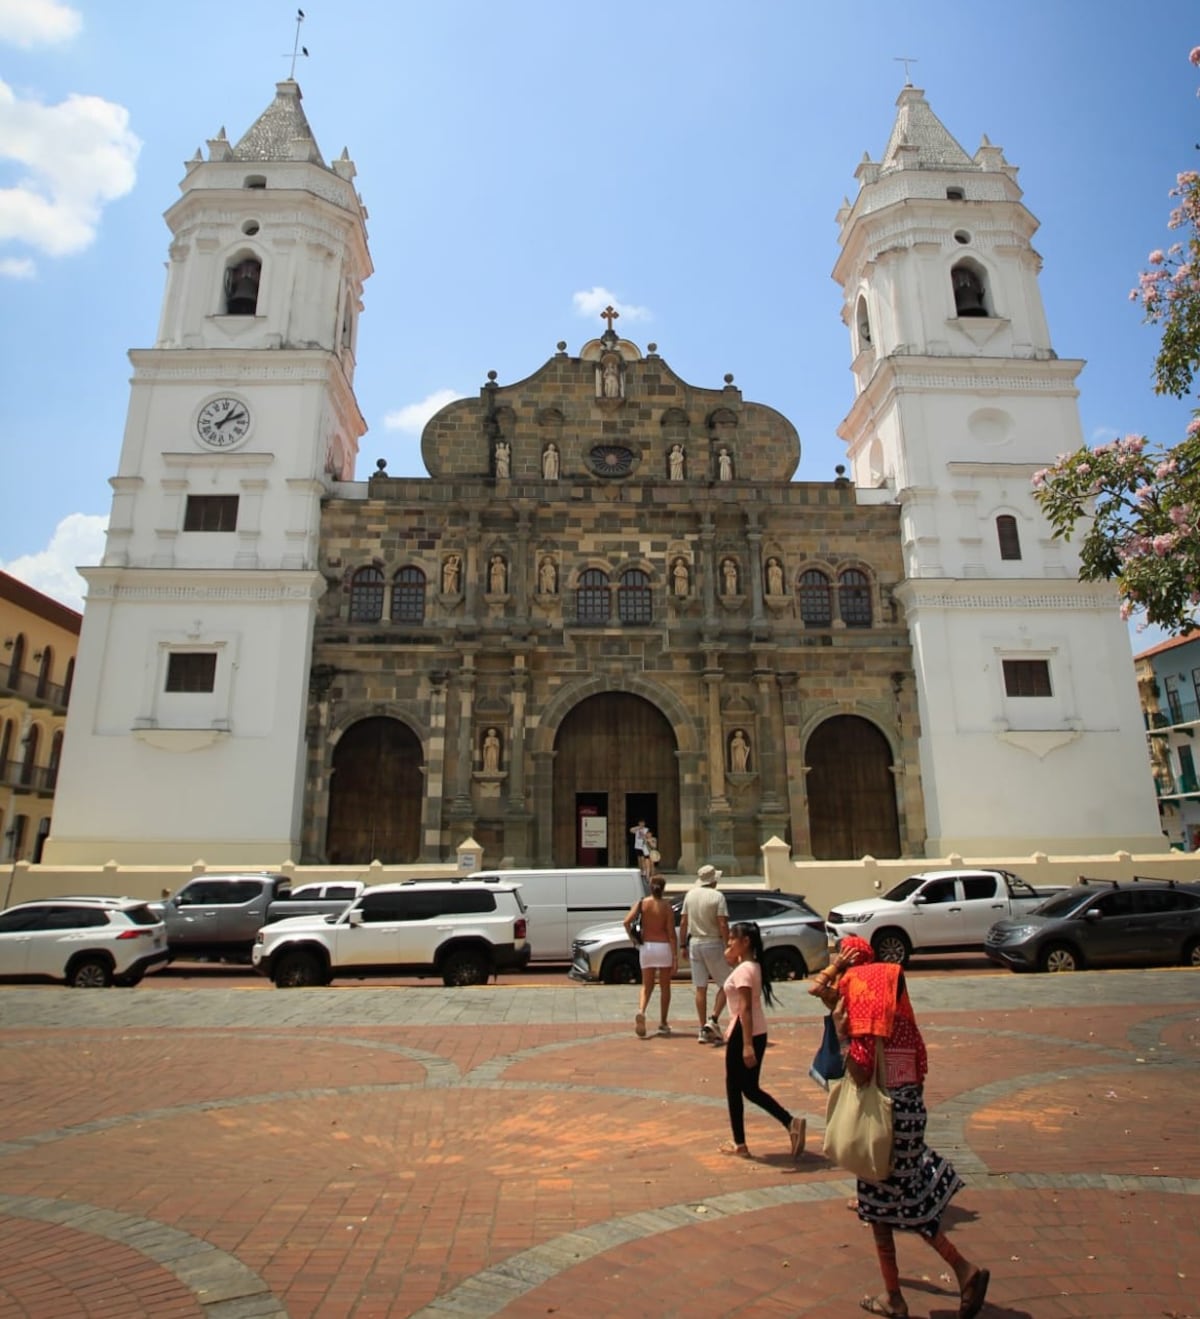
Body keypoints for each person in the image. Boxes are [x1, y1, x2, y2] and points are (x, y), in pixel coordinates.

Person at [811, 937, 990, 1319]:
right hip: (909, 1112)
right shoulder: (901, 1017)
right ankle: (904, 1292)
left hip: (881, 1122)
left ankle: (957, 1273)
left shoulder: (863, 1027)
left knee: (895, 1207)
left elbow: (861, 1073)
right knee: (892, 1205)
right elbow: (919, 1068)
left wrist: (842, 1035)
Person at [719, 921, 807, 1159]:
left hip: (745, 1031)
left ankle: (742, 1142)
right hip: (757, 1030)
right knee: (748, 1088)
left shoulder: (744, 970)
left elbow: (745, 1008)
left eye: (732, 939)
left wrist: (747, 1045)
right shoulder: (752, 966)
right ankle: (788, 1123)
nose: (728, 943)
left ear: (745, 942)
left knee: (735, 1087)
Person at [679, 864, 729, 1043]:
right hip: (713, 941)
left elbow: (683, 922)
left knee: (700, 987)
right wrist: (728, 944)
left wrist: (682, 944)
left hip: (695, 943)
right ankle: (713, 1019)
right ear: (713, 880)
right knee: (727, 983)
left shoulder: (690, 895)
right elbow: (722, 923)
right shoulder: (717, 896)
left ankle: (702, 1028)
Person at [624, 874, 676, 1038]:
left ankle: (641, 1010)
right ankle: (663, 1021)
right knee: (665, 986)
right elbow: (671, 933)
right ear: (663, 889)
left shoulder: (642, 903)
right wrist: (674, 957)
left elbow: (626, 921)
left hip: (647, 947)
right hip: (663, 947)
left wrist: (633, 938)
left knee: (647, 985)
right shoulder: (666, 906)